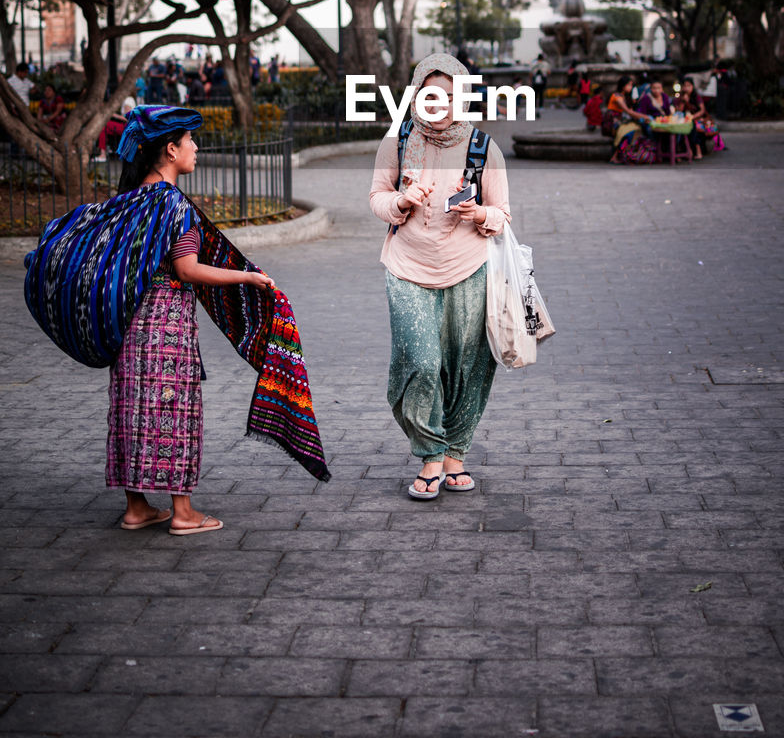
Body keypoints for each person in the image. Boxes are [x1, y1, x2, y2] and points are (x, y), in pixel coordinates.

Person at [24, 104, 330, 534]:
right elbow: (187, 269)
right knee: (176, 412)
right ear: (171, 149)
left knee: (133, 410)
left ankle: (136, 508)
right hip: (167, 327)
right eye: (190, 141)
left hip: (129, 325)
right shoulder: (174, 206)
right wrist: (247, 276)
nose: (196, 148)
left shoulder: (127, 202)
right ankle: (183, 513)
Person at [369, 53, 511, 500]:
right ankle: (429, 453)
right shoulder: (396, 143)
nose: (440, 104)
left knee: (467, 368)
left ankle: (454, 455)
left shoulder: (484, 148)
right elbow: (376, 198)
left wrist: (479, 212)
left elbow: (502, 215)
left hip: (468, 268)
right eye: (430, 95)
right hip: (407, 267)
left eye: (449, 96)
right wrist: (402, 201)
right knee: (423, 364)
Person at [604, 74, 657, 164]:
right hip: (613, 122)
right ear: (623, 85)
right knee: (629, 131)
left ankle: (626, 153)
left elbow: (631, 110)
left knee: (637, 128)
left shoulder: (625, 96)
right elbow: (628, 112)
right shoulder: (617, 96)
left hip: (621, 120)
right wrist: (644, 116)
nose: (631, 87)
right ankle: (615, 156)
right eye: (629, 85)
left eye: (631, 85)